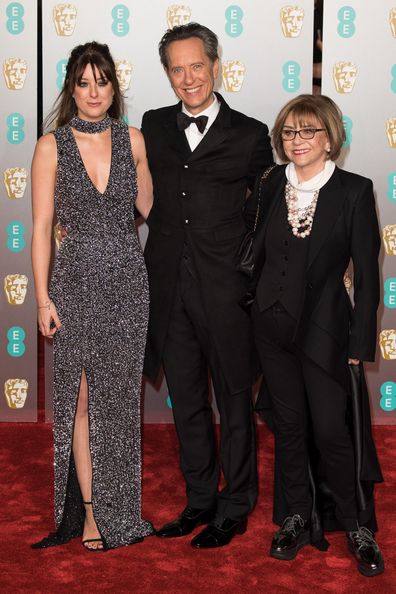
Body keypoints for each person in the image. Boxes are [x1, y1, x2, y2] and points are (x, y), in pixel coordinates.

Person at [141, 22, 273, 548]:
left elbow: (267, 214)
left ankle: (236, 504)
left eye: (197, 66)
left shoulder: (250, 133)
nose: (189, 77)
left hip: (227, 292)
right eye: (178, 69)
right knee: (188, 400)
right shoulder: (152, 125)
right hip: (169, 287)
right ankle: (200, 500)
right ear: (168, 74)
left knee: (234, 399)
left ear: (215, 67)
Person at [248, 94, 384, 576]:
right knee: (288, 431)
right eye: (288, 132)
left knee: (331, 431)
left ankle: (356, 523)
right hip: (270, 329)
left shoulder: (352, 190)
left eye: (308, 131)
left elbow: (368, 275)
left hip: (325, 332)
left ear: (330, 137)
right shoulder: (268, 184)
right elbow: (256, 256)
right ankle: (294, 517)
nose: (297, 141)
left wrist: (358, 344)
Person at [31, 41, 154, 551]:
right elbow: (40, 229)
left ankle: (121, 509)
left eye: (101, 81)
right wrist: (42, 298)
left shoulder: (135, 139)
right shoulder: (50, 146)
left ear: (113, 86)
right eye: (83, 82)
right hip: (75, 282)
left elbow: (147, 207)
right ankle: (88, 512)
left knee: (120, 404)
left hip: (128, 281)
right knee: (79, 402)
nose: (93, 92)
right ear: (71, 88)